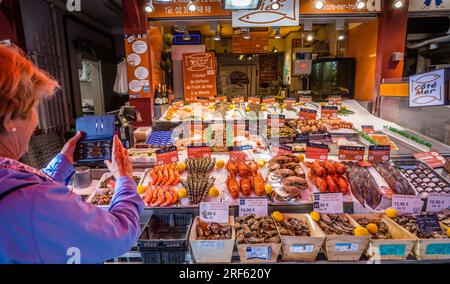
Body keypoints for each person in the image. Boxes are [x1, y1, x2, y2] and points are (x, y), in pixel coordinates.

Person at [0, 45, 144, 264]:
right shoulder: (34, 201)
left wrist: (63, 162)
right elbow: (118, 234)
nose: (35, 120)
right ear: (9, 118)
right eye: (33, 108)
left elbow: (22, 192)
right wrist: (125, 179)